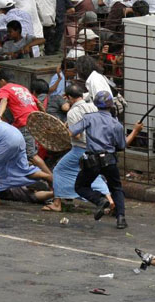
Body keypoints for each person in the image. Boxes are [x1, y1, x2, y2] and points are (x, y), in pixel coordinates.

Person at [69, 91, 140, 229]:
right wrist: (135, 131)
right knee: (116, 188)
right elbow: (122, 145)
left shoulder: (89, 118)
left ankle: (99, 200)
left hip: (92, 160)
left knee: (80, 186)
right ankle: (120, 218)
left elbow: (73, 132)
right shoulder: (116, 124)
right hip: (109, 160)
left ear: (95, 104)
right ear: (111, 105)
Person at [42, 84, 114, 212]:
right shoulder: (93, 106)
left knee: (59, 170)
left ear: (69, 97)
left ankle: (57, 203)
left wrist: (64, 132)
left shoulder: (73, 112)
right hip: (98, 146)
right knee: (93, 174)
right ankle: (110, 200)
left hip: (80, 148)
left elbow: (77, 135)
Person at [0, 69, 52, 175]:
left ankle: (51, 179)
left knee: (31, 155)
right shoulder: (23, 88)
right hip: (34, 122)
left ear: (2, 80)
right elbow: (38, 103)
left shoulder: (4, 89)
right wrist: (45, 118)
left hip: (24, 123)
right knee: (19, 151)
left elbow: (3, 100)